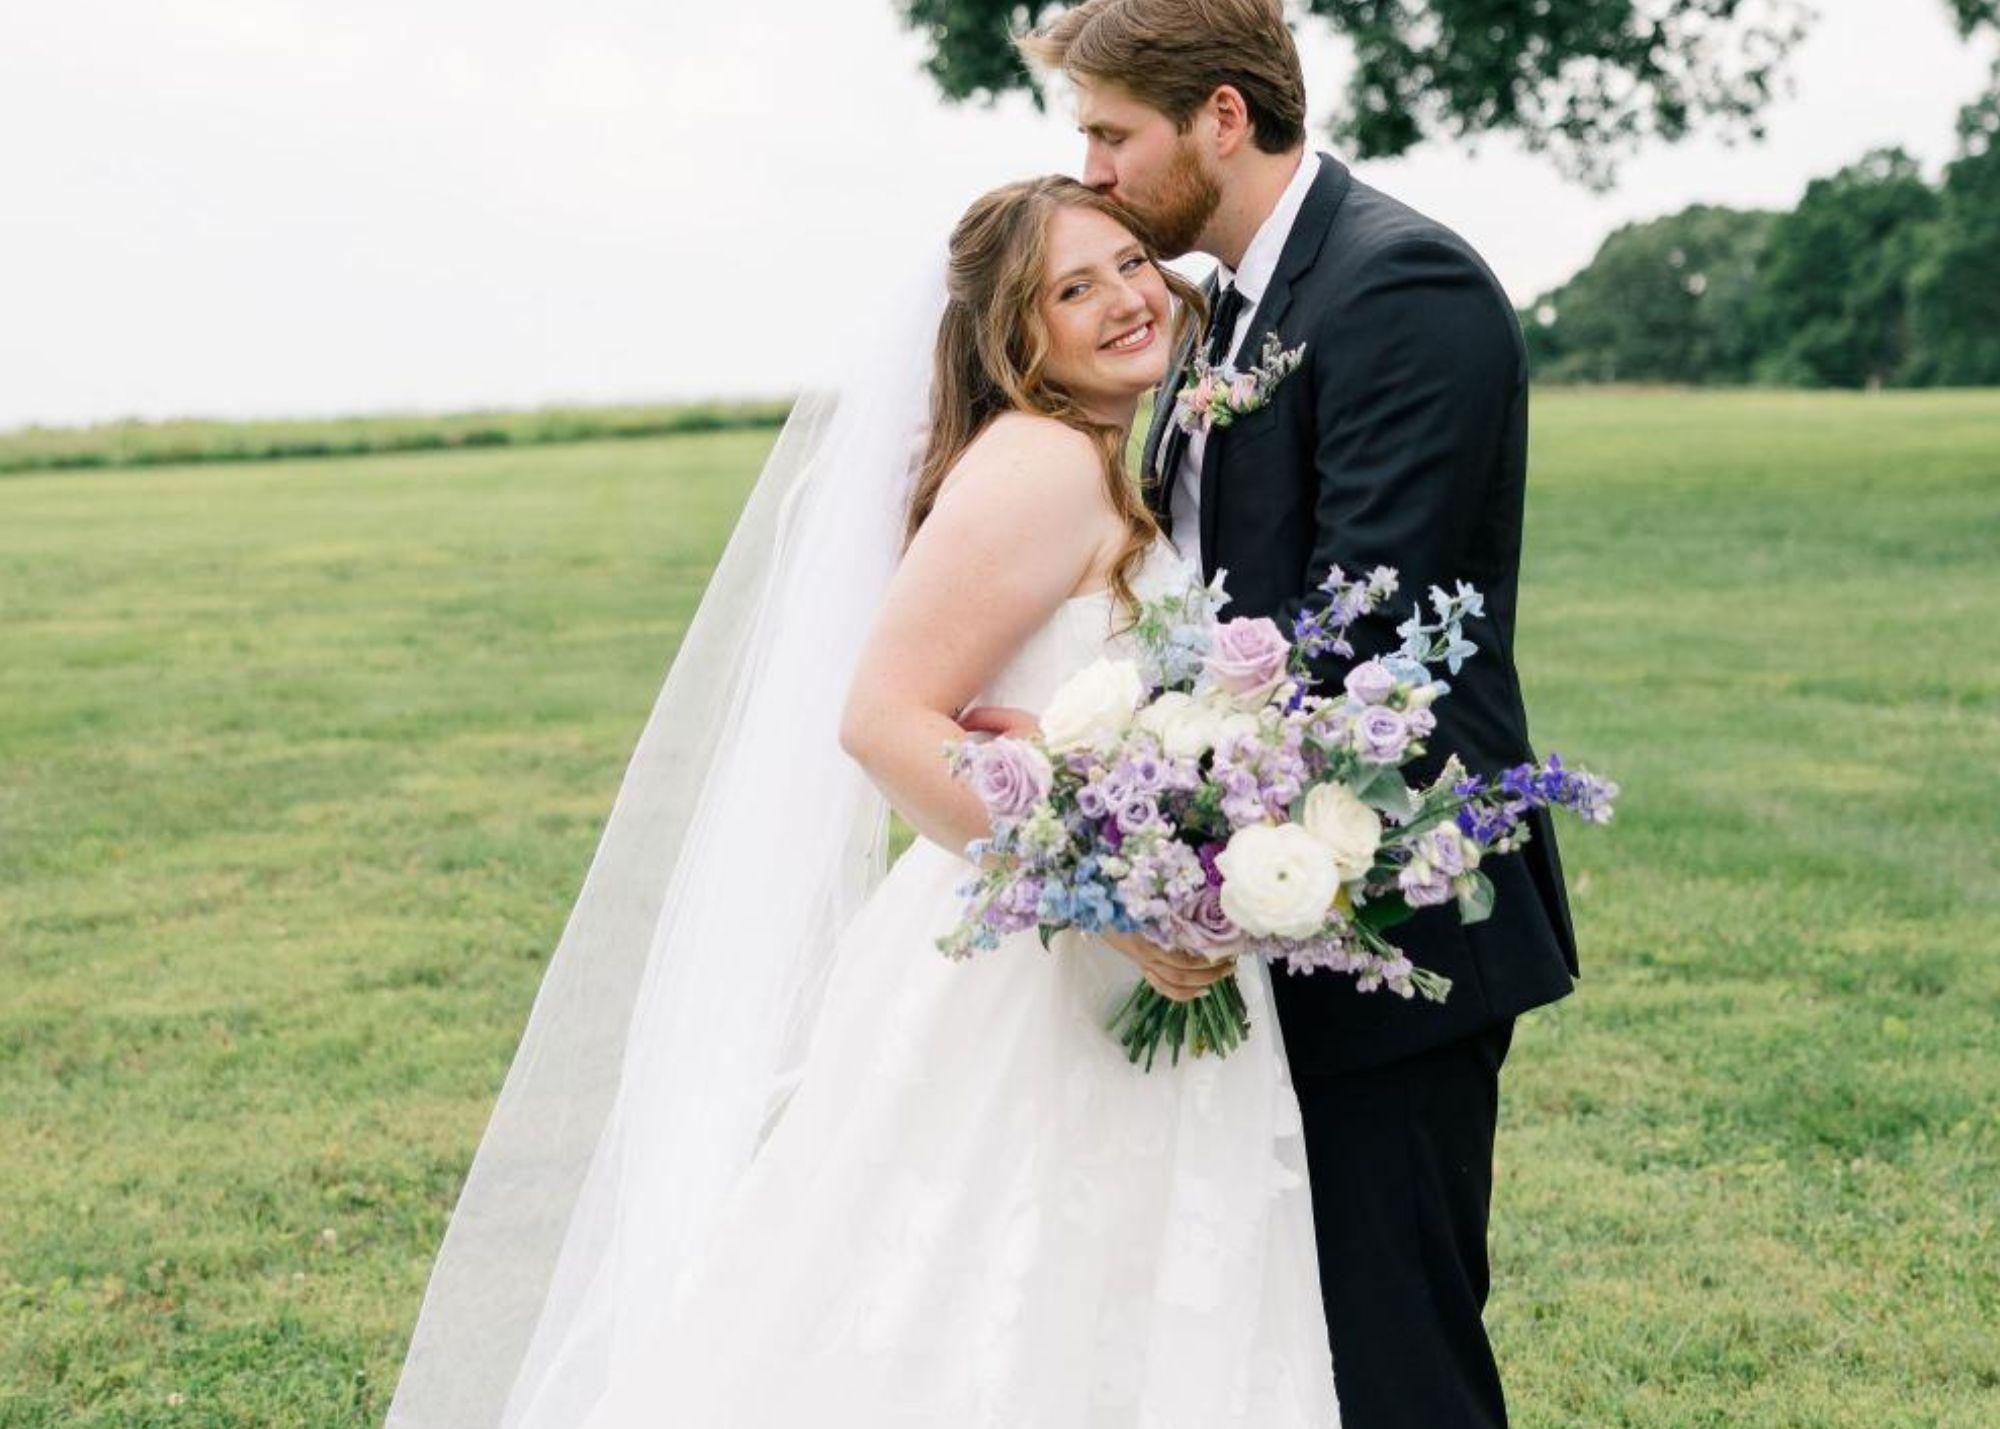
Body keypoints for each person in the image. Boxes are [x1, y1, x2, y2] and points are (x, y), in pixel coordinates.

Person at [385, 175, 1342, 1427]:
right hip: (1040, 962)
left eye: (1127, 263)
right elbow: (881, 719)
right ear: (1018, 336)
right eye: (1073, 287)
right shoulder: (1042, 463)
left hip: (1111, 947)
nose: (1123, 298)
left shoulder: (1104, 459)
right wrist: (1105, 893)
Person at [983, 4, 1581, 1426]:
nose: (1096, 168)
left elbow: (1370, 649)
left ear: (1223, 119)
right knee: (1268, 1353)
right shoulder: (1223, 315)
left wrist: (1165, 829)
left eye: (1113, 132)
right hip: (1245, 910)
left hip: (1385, 911)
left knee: (1394, 1357)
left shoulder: (1399, 287)